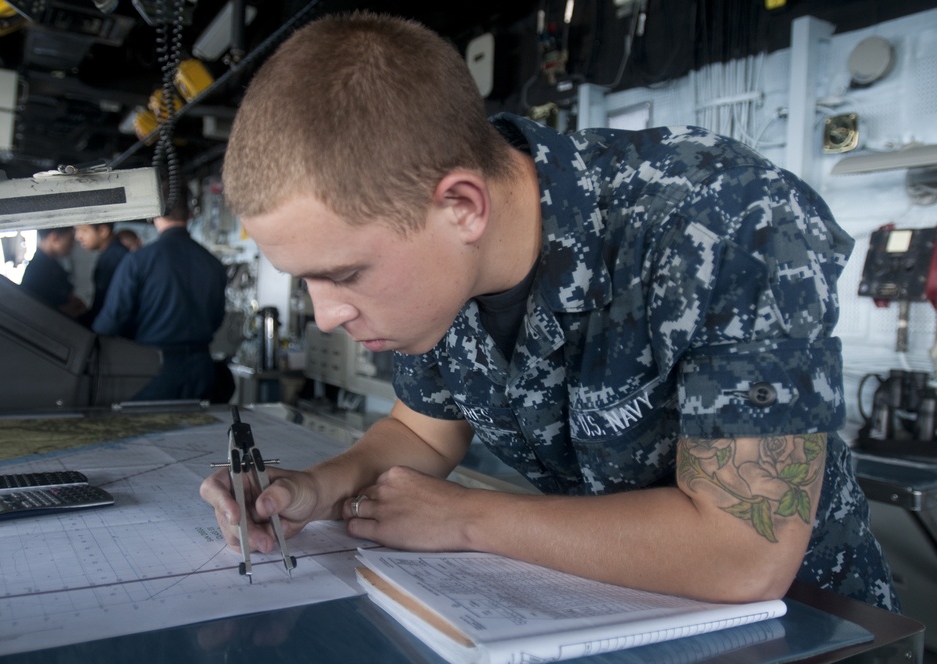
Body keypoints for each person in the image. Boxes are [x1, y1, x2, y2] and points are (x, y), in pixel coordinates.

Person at [201, 12, 899, 611]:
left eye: (346, 273)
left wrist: (470, 518)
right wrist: (312, 489)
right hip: (601, 608)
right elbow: (423, 432)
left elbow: (744, 555)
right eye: (306, 283)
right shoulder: (440, 274)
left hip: (805, 626)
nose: (325, 316)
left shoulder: (726, 219)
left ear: (462, 206)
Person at [93, 190, 227, 401]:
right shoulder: (213, 264)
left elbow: (113, 318)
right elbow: (217, 319)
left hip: (153, 369)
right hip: (201, 370)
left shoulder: (138, 261)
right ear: (190, 214)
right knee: (199, 432)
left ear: (153, 213)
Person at [19, 226, 87, 319]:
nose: (72, 245)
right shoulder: (38, 271)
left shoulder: (51, 264)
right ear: (54, 238)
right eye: (70, 239)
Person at [75, 222, 129, 326]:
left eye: (84, 231)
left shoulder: (114, 258)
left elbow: (114, 306)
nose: (78, 236)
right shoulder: (111, 253)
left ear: (102, 231)